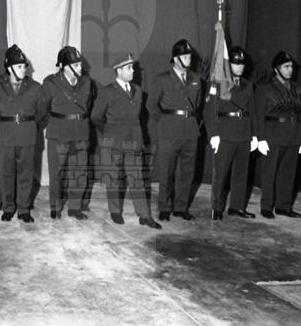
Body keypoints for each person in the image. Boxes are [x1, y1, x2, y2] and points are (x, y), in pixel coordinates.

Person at [91, 54, 162, 229]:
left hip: (134, 142)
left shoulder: (138, 91)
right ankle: (115, 211)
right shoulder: (107, 91)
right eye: (129, 68)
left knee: (137, 180)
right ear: (119, 71)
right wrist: (109, 133)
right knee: (114, 179)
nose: (133, 71)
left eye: (132, 67)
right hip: (114, 143)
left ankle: (144, 215)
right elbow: (96, 116)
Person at [148, 39, 203, 221]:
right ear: (176, 58)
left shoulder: (196, 79)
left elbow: (198, 106)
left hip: (190, 131)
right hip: (169, 132)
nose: (189, 60)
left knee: (187, 171)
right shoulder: (162, 79)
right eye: (185, 57)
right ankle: (164, 207)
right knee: (166, 171)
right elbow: (151, 105)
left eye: (190, 57)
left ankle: (181, 207)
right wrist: (165, 123)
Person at [0, 45, 46, 223]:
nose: (23, 69)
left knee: (25, 174)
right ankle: (8, 207)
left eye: (24, 66)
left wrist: (30, 125)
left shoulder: (35, 87)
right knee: (6, 173)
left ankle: (23, 209)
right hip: (5, 134)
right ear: (9, 67)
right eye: (19, 66)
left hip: (27, 135)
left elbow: (42, 111)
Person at [203, 46, 258, 220]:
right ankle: (217, 207)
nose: (240, 67)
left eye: (242, 64)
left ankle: (237, 207)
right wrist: (213, 134)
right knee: (221, 173)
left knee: (241, 172)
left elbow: (253, 111)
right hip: (224, 132)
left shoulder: (248, 85)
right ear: (228, 64)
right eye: (235, 63)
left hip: (244, 132)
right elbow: (209, 110)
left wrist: (255, 135)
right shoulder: (217, 83)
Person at [43, 46, 93, 220]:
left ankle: (75, 207)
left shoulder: (87, 82)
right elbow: (43, 109)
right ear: (64, 66)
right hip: (59, 133)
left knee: (80, 173)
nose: (81, 67)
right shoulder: (50, 83)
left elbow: (89, 106)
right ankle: (55, 207)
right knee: (56, 173)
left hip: (80, 132)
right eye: (76, 65)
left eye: (80, 64)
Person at [255, 51, 301, 219]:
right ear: (276, 69)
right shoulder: (264, 88)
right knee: (269, 173)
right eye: (286, 67)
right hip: (272, 136)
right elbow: (258, 114)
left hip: (293, 136)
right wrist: (260, 138)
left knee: (288, 173)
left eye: (291, 67)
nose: (290, 70)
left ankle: (283, 206)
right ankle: (266, 206)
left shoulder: (297, 89)